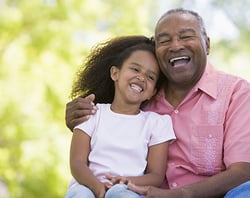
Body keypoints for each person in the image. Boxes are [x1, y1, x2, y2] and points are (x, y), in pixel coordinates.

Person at [65, 8, 250, 198]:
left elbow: (243, 171)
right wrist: (77, 117)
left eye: (186, 36)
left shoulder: (236, 93)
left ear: (207, 45)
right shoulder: (141, 96)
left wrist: (181, 195)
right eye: (164, 41)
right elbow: (105, 128)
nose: (176, 46)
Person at [64, 35, 176, 198]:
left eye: (150, 77)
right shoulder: (92, 113)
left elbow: (156, 176)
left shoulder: (156, 123)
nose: (141, 77)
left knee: (120, 194)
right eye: (135, 69)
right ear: (115, 73)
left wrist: (125, 181)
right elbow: (77, 163)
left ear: (152, 92)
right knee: (80, 194)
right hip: (88, 184)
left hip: (128, 188)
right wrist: (98, 187)